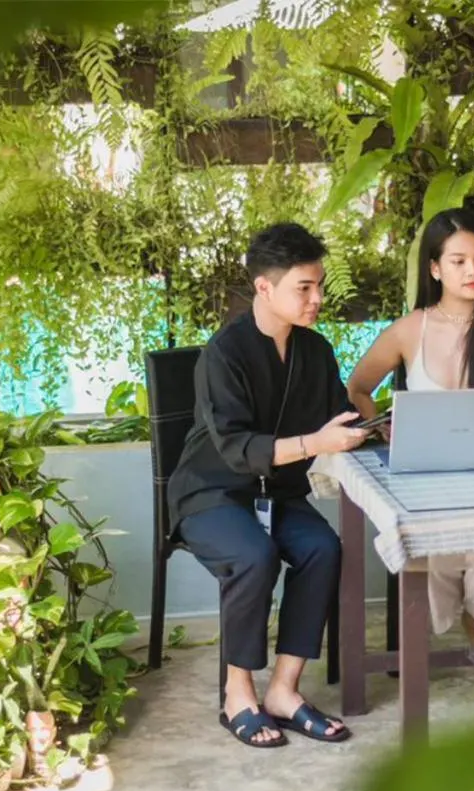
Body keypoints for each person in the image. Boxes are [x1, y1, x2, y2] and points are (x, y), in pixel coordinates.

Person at [166, 223, 369, 748]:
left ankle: (283, 691)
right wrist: (314, 443)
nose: (318, 298)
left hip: (273, 493)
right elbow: (236, 447)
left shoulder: (316, 351)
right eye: (304, 287)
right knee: (255, 554)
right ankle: (238, 695)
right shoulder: (223, 354)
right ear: (264, 287)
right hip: (211, 493)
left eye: (320, 284)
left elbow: (336, 417)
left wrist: (372, 425)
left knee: (323, 548)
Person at [347, 206, 474, 646]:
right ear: (435, 268)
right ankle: (471, 625)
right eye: (458, 261)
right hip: (427, 486)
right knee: (431, 556)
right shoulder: (409, 330)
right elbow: (357, 386)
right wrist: (381, 427)